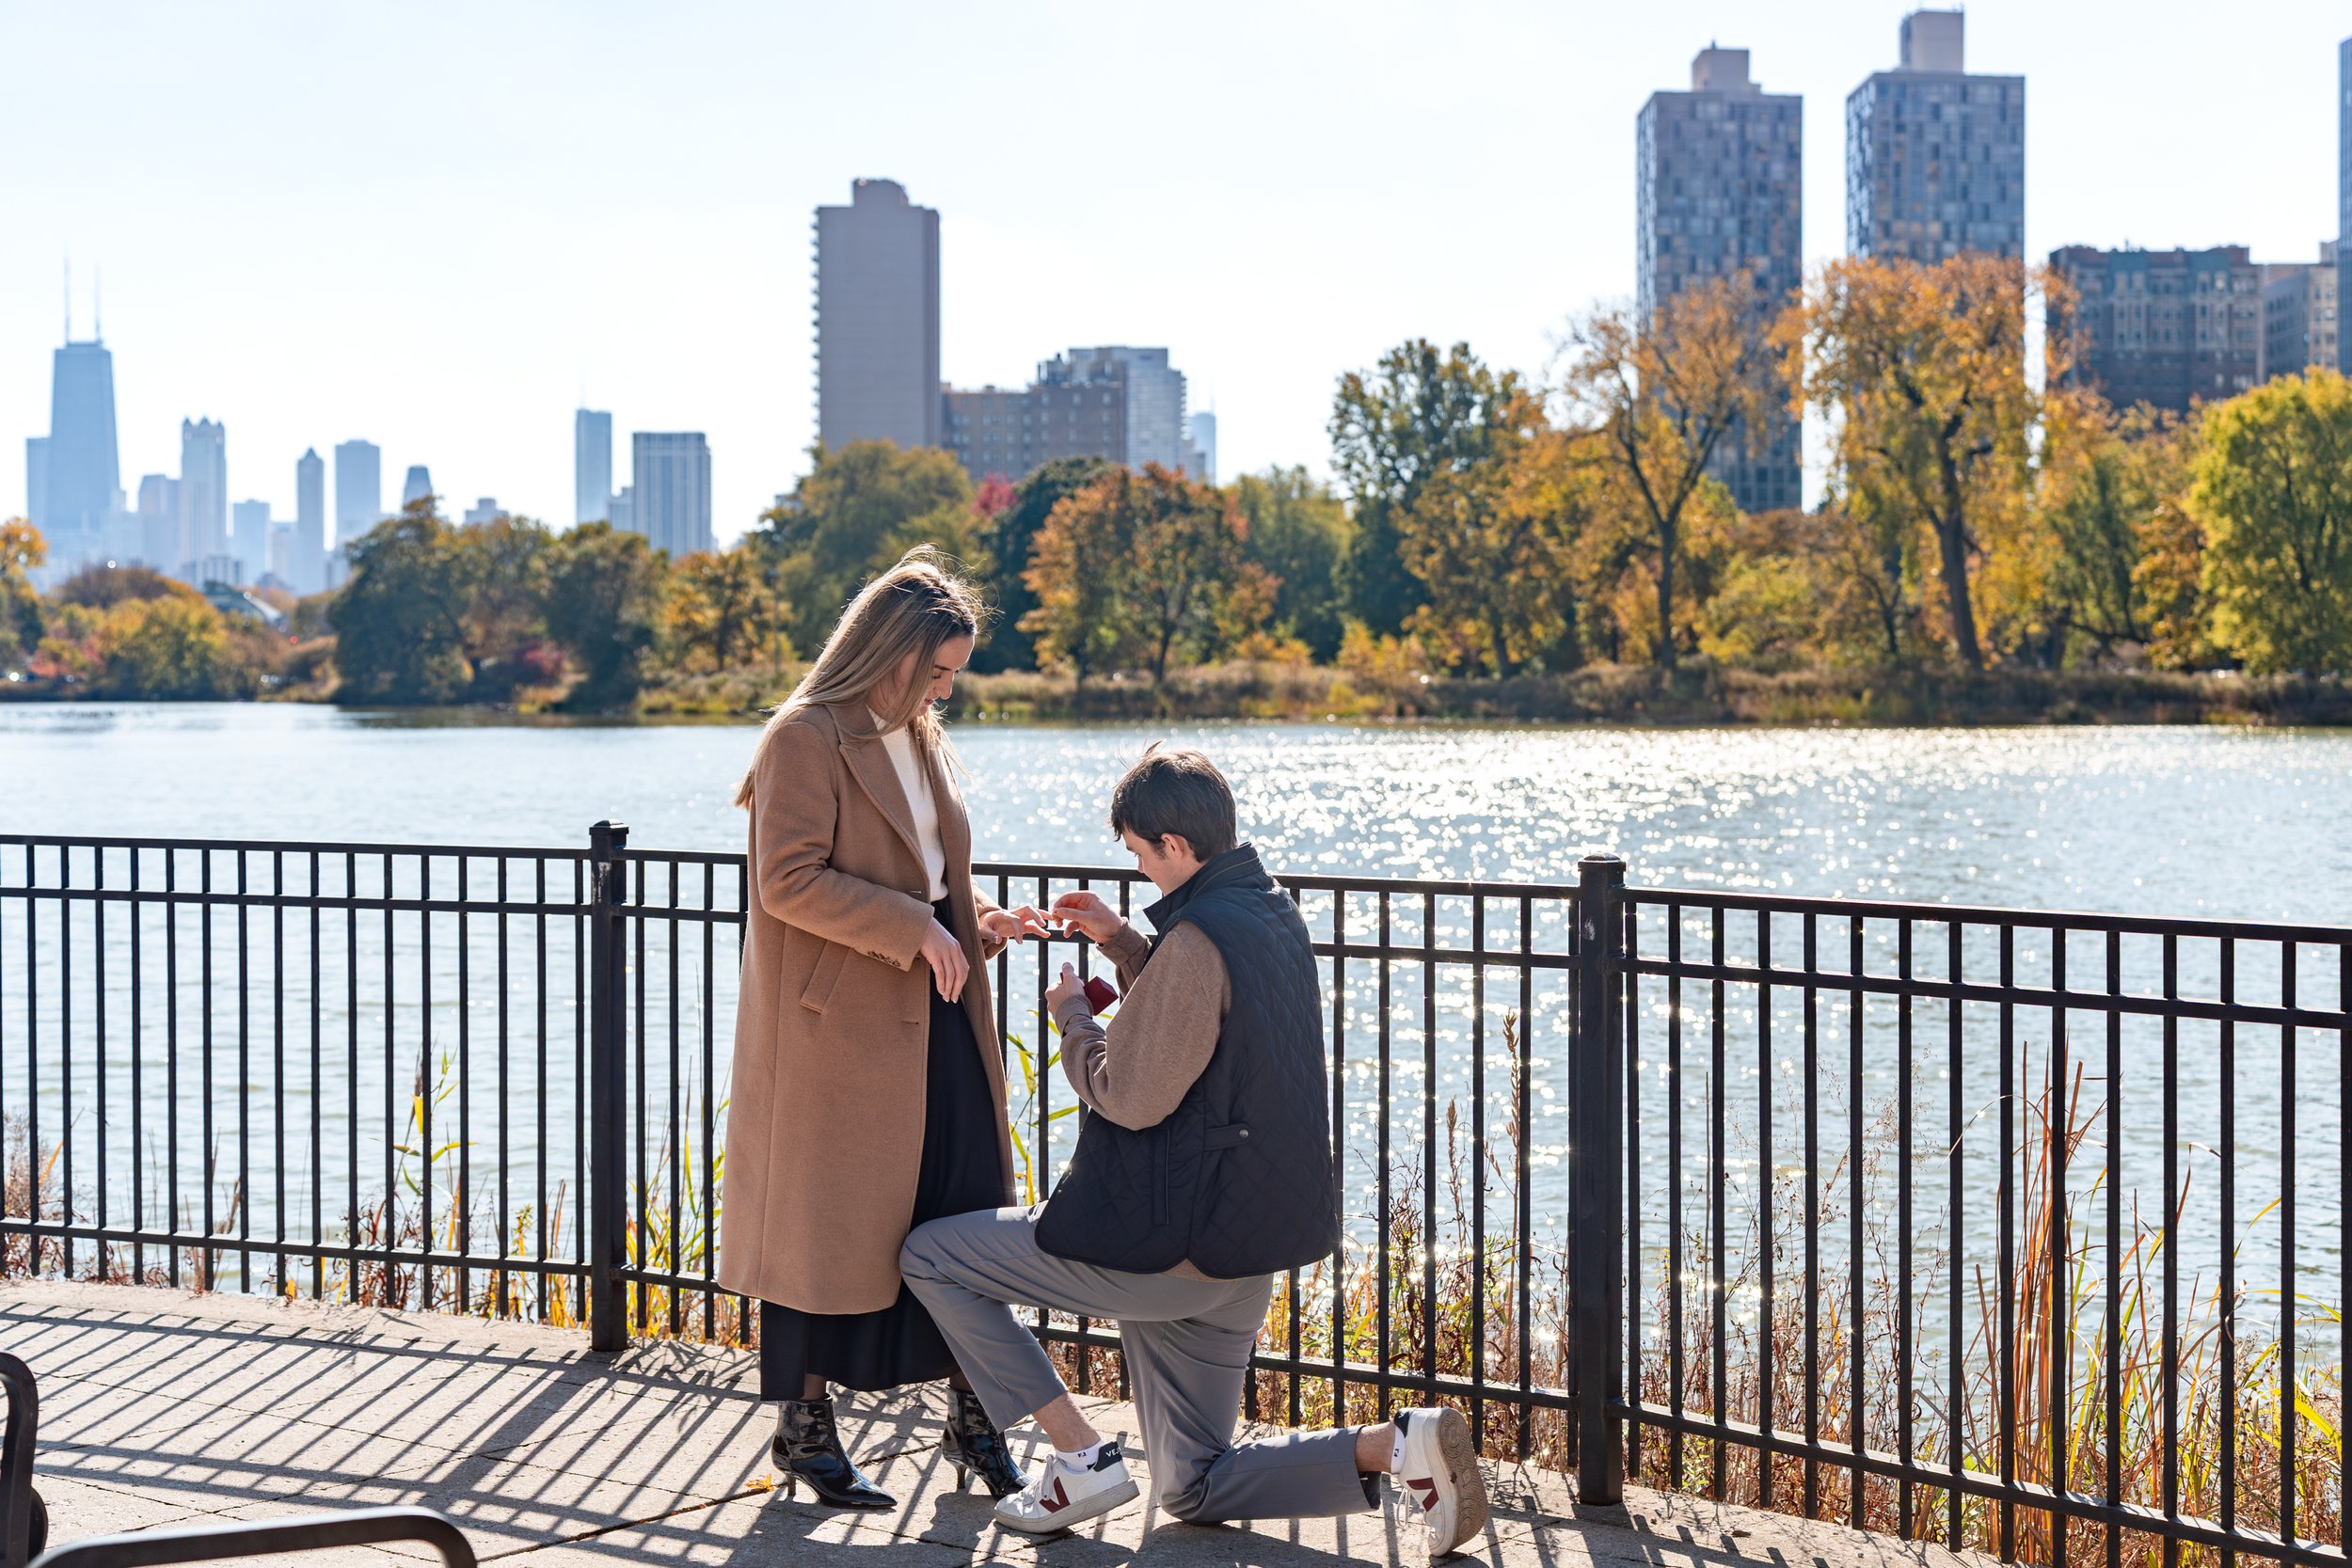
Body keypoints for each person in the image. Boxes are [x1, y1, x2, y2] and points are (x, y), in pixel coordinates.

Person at [899, 746, 1490, 1559]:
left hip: (1166, 1247)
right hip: (1244, 1251)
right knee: (1193, 1483)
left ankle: (1078, 1454)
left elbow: (1130, 1093)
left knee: (931, 1254)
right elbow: (1207, 1028)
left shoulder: (1196, 940)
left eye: (1142, 854)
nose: (1141, 873)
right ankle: (1397, 1446)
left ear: (1177, 844)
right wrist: (1121, 943)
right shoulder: (1268, 911)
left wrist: (1074, 1015)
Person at [718, 549, 1052, 1509]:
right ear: (889, 652)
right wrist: (914, 929)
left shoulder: (922, 736)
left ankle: (978, 1421)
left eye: (954, 672)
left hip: (943, 1017)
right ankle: (805, 1433)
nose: (947, 688)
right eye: (937, 669)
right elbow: (787, 879)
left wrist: (977, 921)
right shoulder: (804, 737)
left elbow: (927, 876)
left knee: (969, 1216)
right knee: (823, 1229)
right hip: (842, 1034)